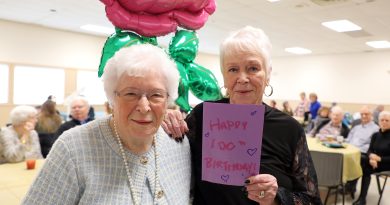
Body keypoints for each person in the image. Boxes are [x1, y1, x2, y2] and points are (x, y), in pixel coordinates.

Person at [164, 26, 321, 204]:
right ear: (224, 77)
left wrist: (277, 198)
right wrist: (166, 120)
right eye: (233, 69)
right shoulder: (202, 116)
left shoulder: (288, 128)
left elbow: (312, 200)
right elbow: (168, 160)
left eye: (253, 68)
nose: (243, 78)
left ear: (267, 75)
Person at [22, 44, 191, 204]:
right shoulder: (73, 148)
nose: (144, 107)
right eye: (131, 93)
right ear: (112, 99)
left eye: (156, 95)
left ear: (168, 99)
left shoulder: (179, 143)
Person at [353, 111, 390, 205]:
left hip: (387, 164)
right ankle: (361, 198)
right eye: (382, 120)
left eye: (387, 120)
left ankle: (358, 194)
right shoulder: (375, 135)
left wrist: (379, 159)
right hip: (374, 163)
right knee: (362, 159)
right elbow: (369, 150)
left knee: (365, 168)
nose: (384, 122)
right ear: (379, 121)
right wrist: (371, 157)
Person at [345, 106, 379, 198]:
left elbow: (371, 146)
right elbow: (348, 140)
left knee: (359, 159)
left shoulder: (375, 129)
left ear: (371, 115)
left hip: (363, 154)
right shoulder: (356, 127)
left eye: (366, 114)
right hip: (349, 151)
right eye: (362, 114)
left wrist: (356, 150)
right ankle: (345, 184)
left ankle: (350, 185)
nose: (364, 116)